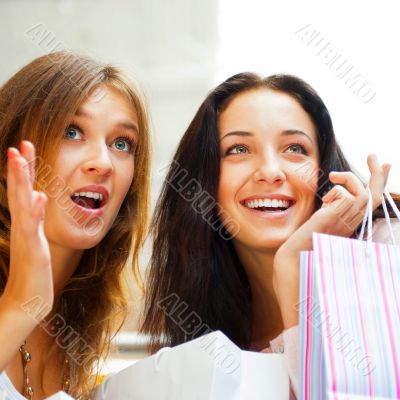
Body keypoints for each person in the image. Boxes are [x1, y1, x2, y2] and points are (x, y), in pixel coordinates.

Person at [140, 72, 398, 397]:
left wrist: (292, 266)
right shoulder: (207, 347)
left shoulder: (389, 252)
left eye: (294, 148)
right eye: (238, 150)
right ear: (204, 181)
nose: (270, 172)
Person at [0, 51, 151, 399]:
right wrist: (21, 304)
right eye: (72, 131)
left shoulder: (80, 331)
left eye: (121, 143)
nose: (103, 162)